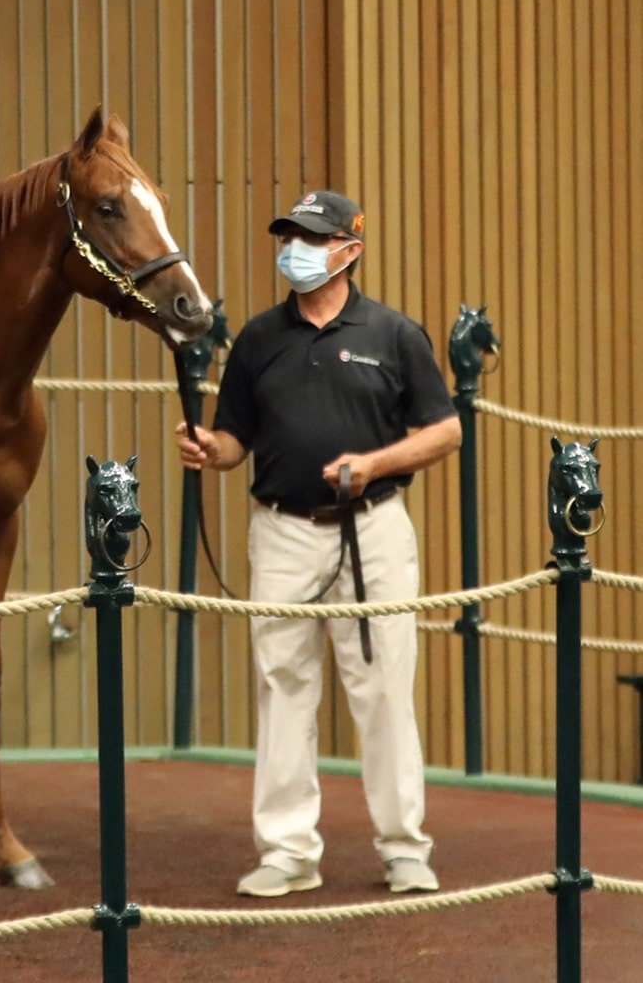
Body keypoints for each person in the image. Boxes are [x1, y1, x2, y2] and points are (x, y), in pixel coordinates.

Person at [176, 189, 461, 899]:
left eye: (308, 237)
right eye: (287, 236)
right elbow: (237, 440)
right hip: (279, 532)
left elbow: (445, 430)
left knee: (385, 689)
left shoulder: (395, 335)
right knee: (283, 689)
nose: (292, 250)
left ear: (349, 250)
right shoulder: (257, 342)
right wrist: (210, 448)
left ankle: (403, 849)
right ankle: (287, 852)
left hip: (374, 531)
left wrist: (372, 464)